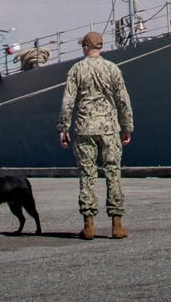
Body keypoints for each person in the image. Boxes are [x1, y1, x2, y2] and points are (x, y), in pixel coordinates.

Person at [57, 31, 133, 240]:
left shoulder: (77, 70)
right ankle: (117, 225)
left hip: (85, 129)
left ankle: (88, 225)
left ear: (85, 48)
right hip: (109, 129)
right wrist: (127, 127)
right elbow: (123, 100)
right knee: (113, 173)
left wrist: (63, 128)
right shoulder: (112, 69)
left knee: (87, 175)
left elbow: (67, 103)